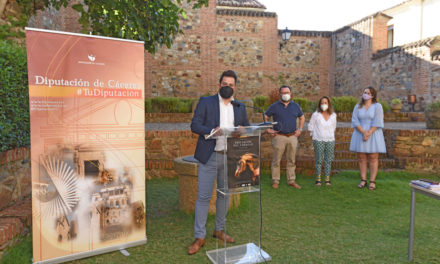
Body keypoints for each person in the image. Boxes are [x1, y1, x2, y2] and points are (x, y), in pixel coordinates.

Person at [188, 70, 250, 255]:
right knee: (204, 197)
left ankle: (219, 230)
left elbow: (246, 127)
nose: (227, 87)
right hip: (210, 156)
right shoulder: (206, 102)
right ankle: (199, 236)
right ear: (219, 85)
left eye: (231, 85)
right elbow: (195, 125)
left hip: (230, 157)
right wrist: (212, 131)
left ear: (235, 87)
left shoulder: (239, 106)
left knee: (225, 195)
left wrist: (242, 130)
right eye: (225, 84)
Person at [265, 85, 305, 189]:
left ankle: (291, 180)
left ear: (290, 94)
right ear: (280, 94)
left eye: (287, 92)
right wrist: (268, 129)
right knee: (276, 160)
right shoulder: (274, 106)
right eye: (283, 93)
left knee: (291, 160)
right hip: (279, 136)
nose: (285, 94)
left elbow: (302, 117)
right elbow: (265, 116)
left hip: (292, 137)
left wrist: (300, 129)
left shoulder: (296, 106)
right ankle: (275, 180)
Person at [349, 86, 386, 190]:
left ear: (372, 95)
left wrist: (369, 133)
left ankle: (372, 181)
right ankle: (363, 180)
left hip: (373, 134)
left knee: (373, 157)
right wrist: (363, 132)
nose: (365, 94)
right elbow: (355, 121)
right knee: (361, 158)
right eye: (364, 92)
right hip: (360, 133)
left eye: (368, 93)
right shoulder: (358, 106)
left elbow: (378, 121)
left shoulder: (377, 106)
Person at [308, 96, 337, 186]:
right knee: (319, 160)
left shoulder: (333, 115)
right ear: (319, 104)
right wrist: (314, 136)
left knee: (328, 160)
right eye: (322, 103)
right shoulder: (316, 114)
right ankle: (318, 179)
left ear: (329, 104)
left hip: (330, 140)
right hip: (318, 140)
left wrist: (331, 135)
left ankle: (327, 179)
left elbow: (334, 127)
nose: (324, 104)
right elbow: (311, 126)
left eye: (325, 103)